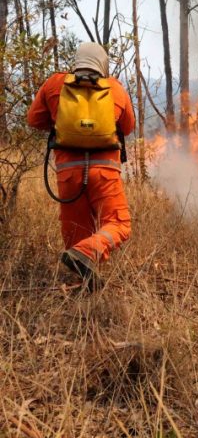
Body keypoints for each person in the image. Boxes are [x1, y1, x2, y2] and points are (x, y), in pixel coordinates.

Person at [27, 42, 135, 291]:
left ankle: (82, 279)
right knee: (119, 223)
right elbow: (127, 128)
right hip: (105, 170)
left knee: (77, 229)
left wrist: (62, 123)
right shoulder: (115, 89)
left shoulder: (55, 84)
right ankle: (86, 255)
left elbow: (33, 120)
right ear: (102, 64)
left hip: (68, 171)